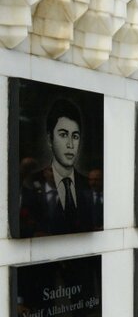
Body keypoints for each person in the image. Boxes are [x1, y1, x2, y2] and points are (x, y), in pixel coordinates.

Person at [31, 98, 94, 235]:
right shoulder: (32, 183)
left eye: (75, 136)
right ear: (49, 139)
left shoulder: (88, 184)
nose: (70, 144)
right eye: (63, 135)